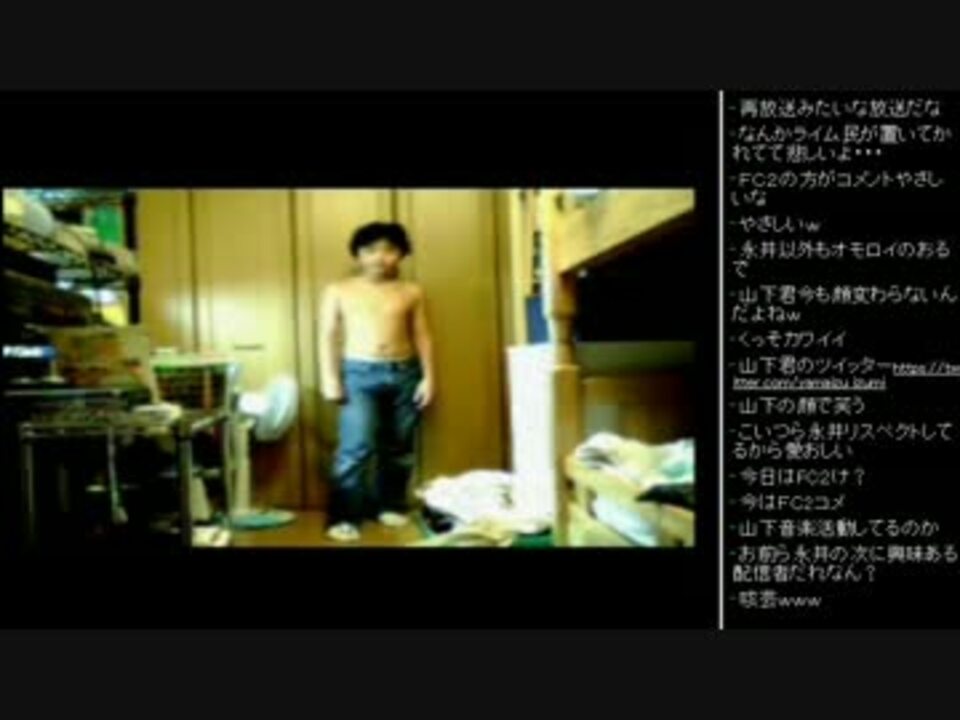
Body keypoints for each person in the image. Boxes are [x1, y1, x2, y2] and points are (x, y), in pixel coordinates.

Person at [319, 222, 435, 542]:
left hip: (405, 373)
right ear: (358, 254)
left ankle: (390, 504)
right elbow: (327, 335)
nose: (380, 257)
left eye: (389, 250)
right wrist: (330, 378)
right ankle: (344, 516)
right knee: (355, 448)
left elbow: (423, 335)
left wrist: (429, 378)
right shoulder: (338, 290)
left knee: (399, 447)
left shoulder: (412, 291)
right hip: (358, 374)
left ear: (401, 254)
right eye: (370, 250)